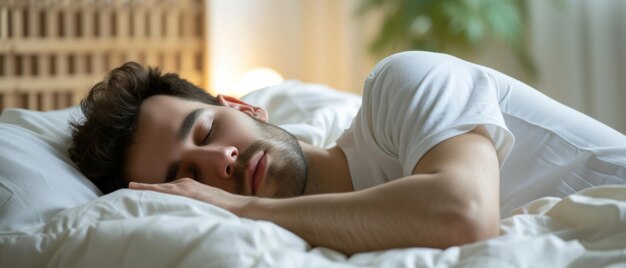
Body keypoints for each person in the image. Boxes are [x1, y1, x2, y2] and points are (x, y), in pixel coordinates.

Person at [69, 51, 626, 255]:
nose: (221, 163)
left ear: (246, 106)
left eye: (209, 130)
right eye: (190, 176)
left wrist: (242, 207)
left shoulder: (401, 87)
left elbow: (463, 213)